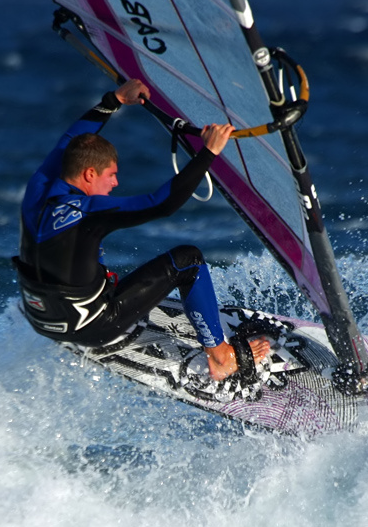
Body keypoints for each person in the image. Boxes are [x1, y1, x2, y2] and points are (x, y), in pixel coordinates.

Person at [13, 79, 269, 381]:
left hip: (41, 317)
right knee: (188, 260)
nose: (115, 183)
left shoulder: (36, 190)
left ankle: (90, 301)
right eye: (111, 175)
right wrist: (208, 153)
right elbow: (162, 204)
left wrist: (114, 99)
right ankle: (220, 357)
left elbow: (69, 139)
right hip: (91, 326)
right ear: (89, 173)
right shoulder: (86, 212)